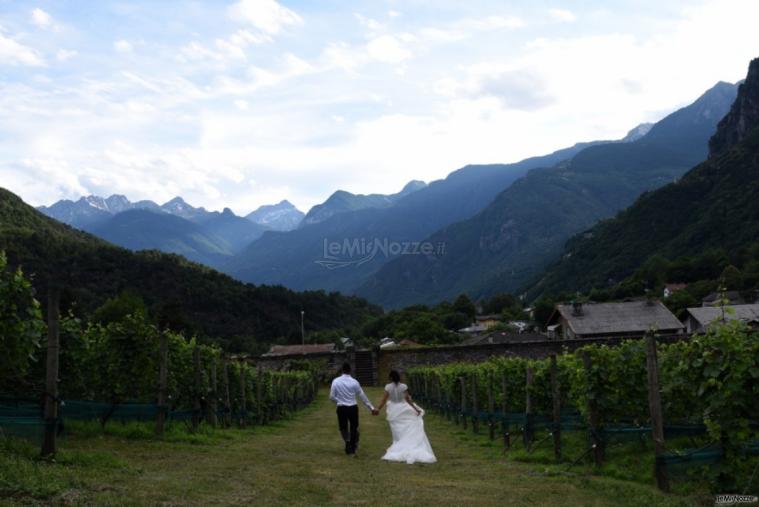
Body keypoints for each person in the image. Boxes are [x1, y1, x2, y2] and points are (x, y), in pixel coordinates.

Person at [374, 370, 436, 464]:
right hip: (403, 408)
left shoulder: (388, 387)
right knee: (408, 425)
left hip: (393, 410)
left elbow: (383, 400)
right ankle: (405, 444)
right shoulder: (403, 386)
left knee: (396, 429)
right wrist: (416, 409)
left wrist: (378, 409)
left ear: (390, 378)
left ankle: (398, 443)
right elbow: (408, 400)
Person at [329, 362, 377, 456]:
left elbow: (331, 397)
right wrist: (371, 407)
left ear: (342, 370)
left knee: (343, 427)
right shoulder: (355, 382)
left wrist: (338, 401)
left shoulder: (336, 381)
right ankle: (352, 446)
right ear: (350, 370)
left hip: (341, 407)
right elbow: (362, 396)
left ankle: (347, 442)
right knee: (354, 427)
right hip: (353, 407)